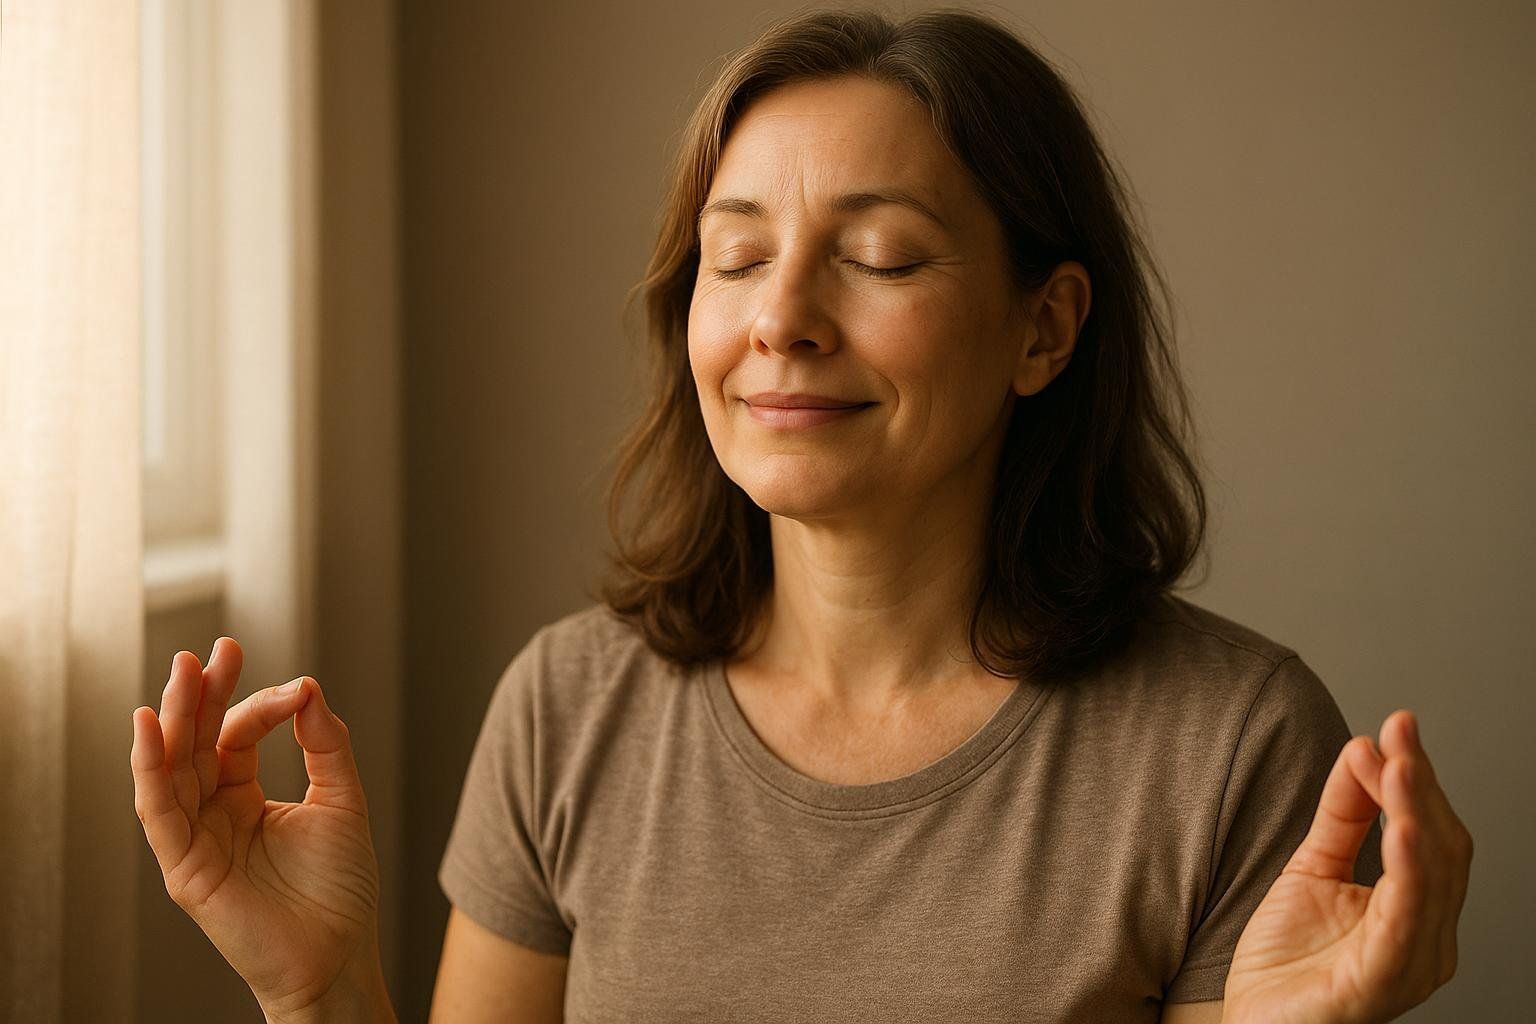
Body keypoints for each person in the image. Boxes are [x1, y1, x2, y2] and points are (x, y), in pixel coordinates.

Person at [129, 8, 1473, 1023]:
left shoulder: (1233, 746)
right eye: (738, 256)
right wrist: (318, 992)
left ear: (1045, 328)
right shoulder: (566, 707)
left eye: (879, 257)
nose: (781, 319)